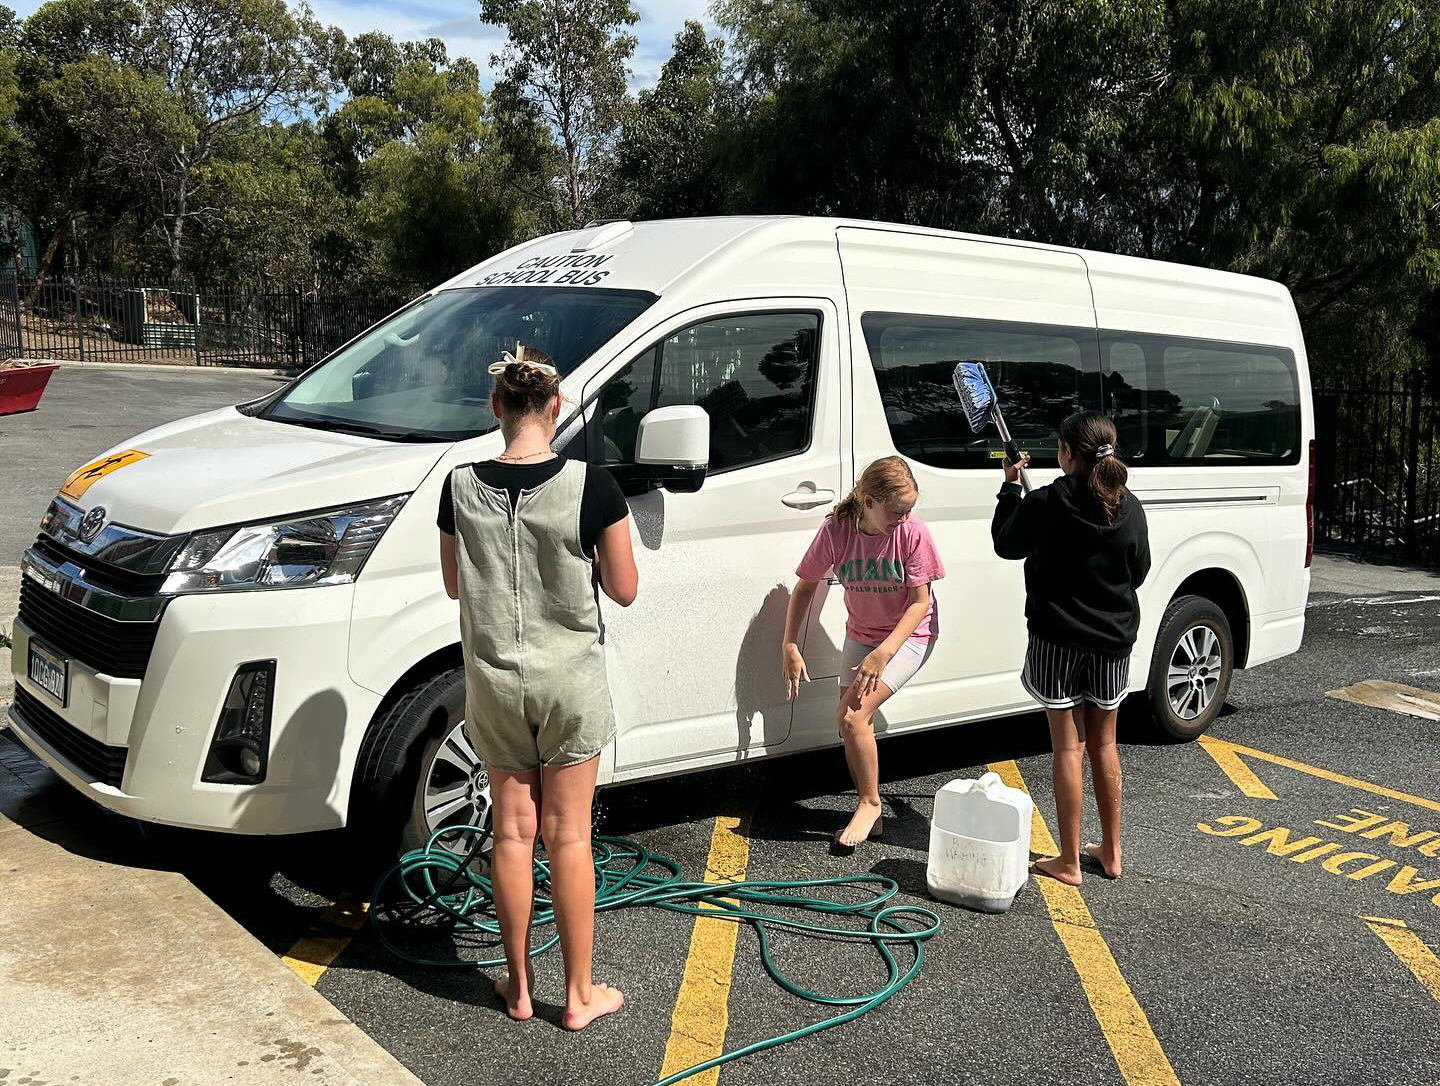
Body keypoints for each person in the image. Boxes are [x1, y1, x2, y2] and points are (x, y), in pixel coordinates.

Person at [438, 344, 638, 1029]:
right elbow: (624, 588)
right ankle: (579, 996)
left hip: (495, 681)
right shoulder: (594, 484)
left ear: (497, 407)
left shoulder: (459, 486)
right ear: (556, 408)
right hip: (569, 681)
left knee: (513, 832)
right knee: (569, 836)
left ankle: (519, 987)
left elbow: (454, 584)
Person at [991, 410, 1150, 885]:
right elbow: (1137, 572)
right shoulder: (1129, 506)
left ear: (1065, 453)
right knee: (1104, 742)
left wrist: (1008, 488)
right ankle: (1113, 851)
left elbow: (1005, 543)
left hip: (1057, 640)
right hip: (1112, 641)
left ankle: (1069, 861)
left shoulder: (1046, 502)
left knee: (1068, 747)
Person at [782, 456, 946, 849]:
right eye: (897, 511)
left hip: (909, 636)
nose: (904, 519)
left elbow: (919, 604)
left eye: (909, 511)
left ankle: (869, 803)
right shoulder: (837, 530)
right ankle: (869, 814)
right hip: (862, 634)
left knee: (854, 718)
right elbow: (805, 586)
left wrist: (884, 654)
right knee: (848, 723)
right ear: (869, 502)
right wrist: (789, 643)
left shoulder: (912, 534)